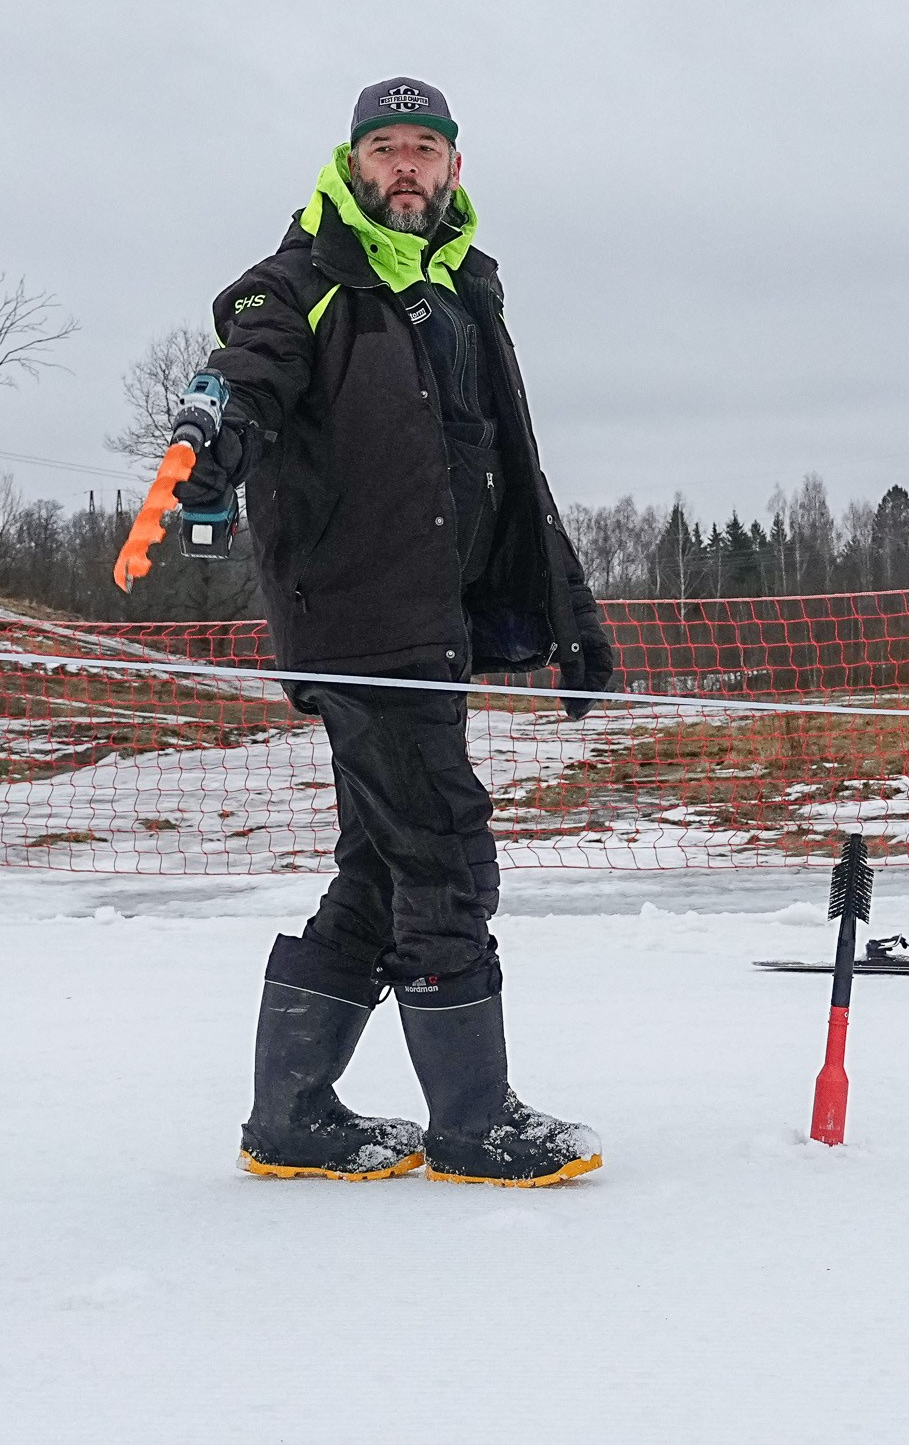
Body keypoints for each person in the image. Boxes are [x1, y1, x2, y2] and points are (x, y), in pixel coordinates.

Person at [119, 78, 616, 1187]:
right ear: (350, 165)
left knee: (383, 867)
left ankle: (293, 1115)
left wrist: (570, 617)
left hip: (435, 627)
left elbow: (513, 471)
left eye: (422, 151)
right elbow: (245, 377)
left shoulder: (463, 293)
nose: (403, 169)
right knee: (443, 851)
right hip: (359, 624)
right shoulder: (302, 283)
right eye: (383, 149)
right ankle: (474, 1120)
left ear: (453, 170)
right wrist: (207, 442)